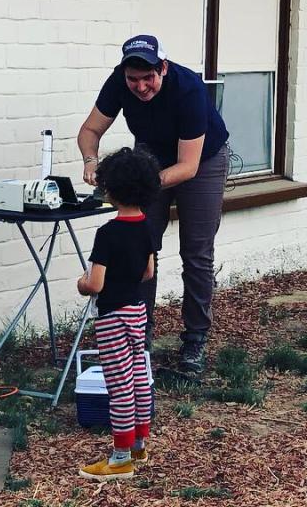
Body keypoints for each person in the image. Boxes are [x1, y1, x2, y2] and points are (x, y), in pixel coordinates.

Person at [77, 35, 229, 375]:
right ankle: (137, 336)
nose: (141, 86)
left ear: (163, 67)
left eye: (149, 78)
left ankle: (195, 340)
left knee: (197, 252)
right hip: (150, 159)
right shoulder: (119, 82)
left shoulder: (188, 88)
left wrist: (133, 182)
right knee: (139, 244)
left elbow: (187, 167)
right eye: (133, 79)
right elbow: (90, 130)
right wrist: (90, 160)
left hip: (202, 161)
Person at [76, 147, 161, 482]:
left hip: (111, 316)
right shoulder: (146, 228)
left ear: (110, 190)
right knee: (139, 374)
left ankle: (120, 457)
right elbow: (148, 273)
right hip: (138, 311)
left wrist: (81, 283)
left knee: (119, 384)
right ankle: (140, 442)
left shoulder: (108, 233)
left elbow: (96, 283)